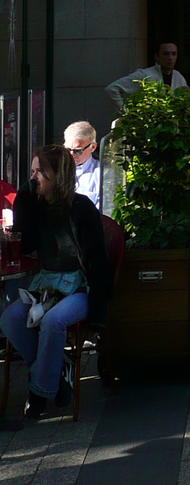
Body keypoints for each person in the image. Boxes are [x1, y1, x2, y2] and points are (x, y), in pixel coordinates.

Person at [0, 146, 112, 420]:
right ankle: (58, 374)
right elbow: (26, 245)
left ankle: (39, 392)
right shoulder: (37, 205)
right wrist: (25, 199)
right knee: (10, 319)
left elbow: (98, 264)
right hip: (47, 284)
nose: (34, 177)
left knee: (53, 322)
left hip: (80, 285)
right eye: (33, 170)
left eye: (40, 171)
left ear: (57, 176)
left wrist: (98, 318)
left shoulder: (81, 208)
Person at [106, 40, 187, 112]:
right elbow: (112, 89)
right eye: (166, 54)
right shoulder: (145, 75)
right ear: (157, 56)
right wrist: (127, 114)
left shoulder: (178, 77)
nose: (170, 58)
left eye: (174, 54)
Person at [64, 121, 100, 208]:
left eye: (77, 151)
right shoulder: (55, 170)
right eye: (68, 149)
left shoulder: (99, 174)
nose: (71, 154)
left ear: (93, 147)